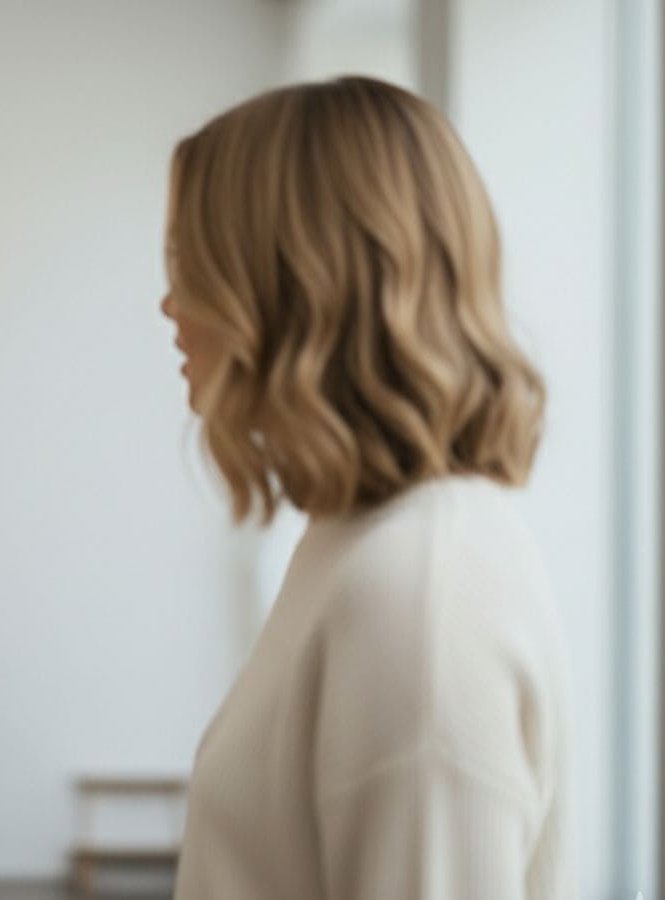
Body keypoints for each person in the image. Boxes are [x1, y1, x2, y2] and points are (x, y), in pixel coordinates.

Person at [160, 76, 571, 899]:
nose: (171, 306)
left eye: (190, 266)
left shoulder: (421, 597)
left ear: (287, 283)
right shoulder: (363, 546)